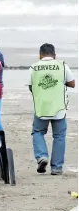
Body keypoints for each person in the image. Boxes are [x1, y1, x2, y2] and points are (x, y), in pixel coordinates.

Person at [28, 43, 75, 175]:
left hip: (41, 107)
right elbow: (72, 83)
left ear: (40, 55)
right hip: (59, 107)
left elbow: (31, 87)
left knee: (38, 132)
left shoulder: (33, 67)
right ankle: (56, 168)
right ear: (54, 55)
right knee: (59, 136)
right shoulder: (62, 65)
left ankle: (42, 156)